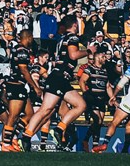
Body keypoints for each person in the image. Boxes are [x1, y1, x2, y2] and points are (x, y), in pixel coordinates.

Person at [20, 13, 88, 151]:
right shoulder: (73, 37)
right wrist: (88, 51)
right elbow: (73, 55)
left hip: (59, 77)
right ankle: (55, 129)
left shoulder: (62, 38)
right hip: (60, 78)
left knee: (79, 105)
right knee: (48, 109)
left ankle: (32, 135)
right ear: (75, 25)